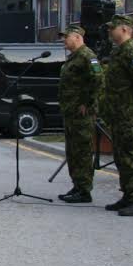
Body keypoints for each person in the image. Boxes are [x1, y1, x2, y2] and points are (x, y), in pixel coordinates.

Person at [100, 15, 133, 217]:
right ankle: (128, 195)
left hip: (129, 112)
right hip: (118, 112)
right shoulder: (118, 51)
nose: (109, 31)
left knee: (132, 155)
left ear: (124, 29)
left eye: (112, 28)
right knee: (121, 156)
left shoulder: (131, 50)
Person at [56, 24, 103, 205]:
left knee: (82, 151)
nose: (63, 40)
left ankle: (84, 190)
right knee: (73, 151)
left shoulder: (87, 56)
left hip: (81, 113)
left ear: (77, 37)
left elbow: (98, 79)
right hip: (71, 112)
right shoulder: (74, 57)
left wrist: (88, 103)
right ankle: (77, 185)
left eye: (66, 37)